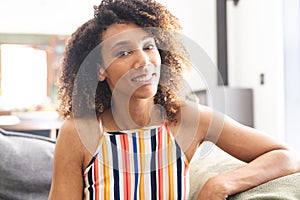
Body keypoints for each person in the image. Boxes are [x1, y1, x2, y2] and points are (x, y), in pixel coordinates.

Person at [49, 0, 300, 199]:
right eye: (124, 52)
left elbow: (287, 156)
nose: (144, 61)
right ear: (99, 70)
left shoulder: (188, 119)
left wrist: (221, 183)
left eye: (148, 47)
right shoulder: (78, 132)